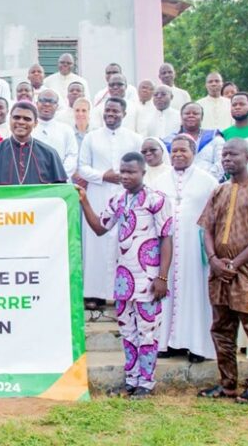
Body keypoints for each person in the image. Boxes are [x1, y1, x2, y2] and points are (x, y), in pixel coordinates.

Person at [77, 152, 173, 399]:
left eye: (131, 172)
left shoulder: (157, 199)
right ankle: (131, 380)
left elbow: (166, 238)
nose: (126, 176)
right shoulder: (118, 199)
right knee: (128, 333)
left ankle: (146, 383)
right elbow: (99, 228)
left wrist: (162, 278)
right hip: (123, 281)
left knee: (147, 334)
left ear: (143, 172)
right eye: (123, 171)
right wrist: (84, 201)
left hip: (149, 279)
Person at [197, 138, 248, 404]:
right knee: (221, 329)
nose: (227, 159)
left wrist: (236, 263)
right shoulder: (219, 191)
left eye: (233, 154)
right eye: (224, 155)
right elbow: (207, 228)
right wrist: (213, 259)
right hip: (219, 272)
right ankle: (227, 384)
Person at [156, 135, 218, 363]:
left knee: (195, 293)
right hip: (166, 246)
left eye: (183, 150)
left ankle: (196, 345)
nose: (178, 154)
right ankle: (166, 343)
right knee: (167, 293)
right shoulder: (159, 181)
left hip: (194, 247)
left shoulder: (209, 181)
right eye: (174, 151)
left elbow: (215, 216)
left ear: (194, 152)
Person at [78, 97, 144, 308]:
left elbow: (141, 167)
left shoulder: (135, 139)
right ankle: (94, 293)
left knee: (123, 243)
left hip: (126, 195)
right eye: (108, 110)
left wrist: (125, 178)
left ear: (124, 114)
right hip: (98, 194)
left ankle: (120, 292)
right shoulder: (91, 137)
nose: (111, 114)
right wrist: (102, 176)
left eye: (115, 111)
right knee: (95, 244)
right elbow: (82, 168)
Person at [0, 101, 68, 185]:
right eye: (16, 117)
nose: (21, 122)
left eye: (27, 119)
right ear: (10, 120)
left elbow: (61, 189)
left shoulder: (49, 153)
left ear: (35, 123)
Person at [171, 102, 225, 180]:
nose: (191, 115)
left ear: (202, 118)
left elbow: (221, 162)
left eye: (195, 113)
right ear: (181, 117)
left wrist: (205, 180)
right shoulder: (171, 141)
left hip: (210, 181)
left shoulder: (215, 138)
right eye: (187, 113)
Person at [33, 89, 78, 177]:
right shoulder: (28, 129)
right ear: (36, 104)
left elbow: (72, 156)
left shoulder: (66, 130)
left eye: (51, 101)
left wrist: (59, 175)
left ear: (57, 106)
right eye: (43, 100)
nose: (47, 104)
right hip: (33, 180)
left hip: (60, 180)